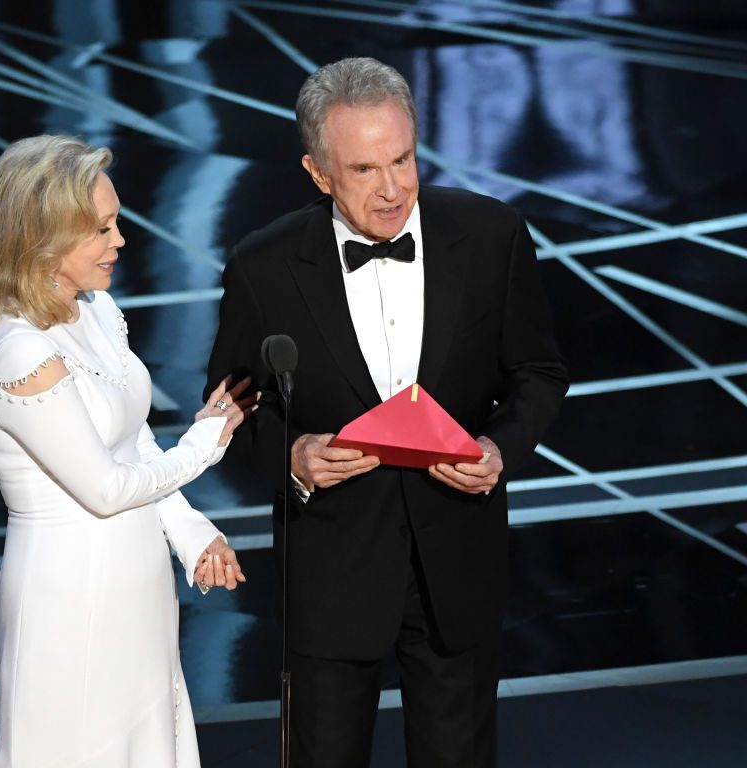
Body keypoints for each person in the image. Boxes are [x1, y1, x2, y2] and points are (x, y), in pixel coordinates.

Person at [207, 58, 569, 767]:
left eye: (402, 159)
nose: (393, 188)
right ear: (318, 173)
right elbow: (232, 406)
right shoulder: (264, 265)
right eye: (365, 169)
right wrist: (291, 457)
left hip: (457, 564)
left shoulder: (492, 235)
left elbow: (538, 372)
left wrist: (499, 449)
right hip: (332, 572)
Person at [0, 134, 254, 768]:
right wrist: (206, 441)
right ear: (42, 235)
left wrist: (190, 530)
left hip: (136, 582)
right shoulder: (17, 350)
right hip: (70, 593)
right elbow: (106, 486)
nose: (120, 240)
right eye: (101, 228)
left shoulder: (94, 309)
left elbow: (131, 438)